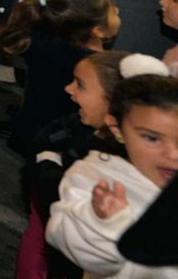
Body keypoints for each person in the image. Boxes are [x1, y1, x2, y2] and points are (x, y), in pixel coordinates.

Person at [46, 61, 178, 278]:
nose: (173, 154)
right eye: (152, 138)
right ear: (117, 128)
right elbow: (74, 244)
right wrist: (104, 222)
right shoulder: (95, 177)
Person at [17, 50, 129, 279]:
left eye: (80, 85)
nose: (69, 89)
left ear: (113, 100)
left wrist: (48, 162)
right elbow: (43, 141)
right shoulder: (79, 124)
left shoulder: (118, 160)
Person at [0, 0, 121, 156]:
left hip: (28, 131)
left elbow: (2, 0)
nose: (118, 11)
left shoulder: (40, 39)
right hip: (64, 148)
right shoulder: (103, 70)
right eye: (113, 12)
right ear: (98, 30)